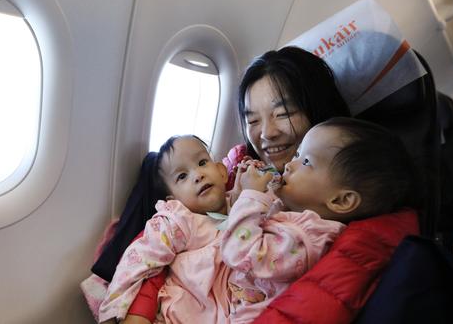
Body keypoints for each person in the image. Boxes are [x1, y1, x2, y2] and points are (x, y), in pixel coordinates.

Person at [90, 47, 419, 323]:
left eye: (283, 113)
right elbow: (163, 241)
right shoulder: (238, 171)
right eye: (252, 120)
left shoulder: (350, 225)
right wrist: (140, 312)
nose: (267, 133)